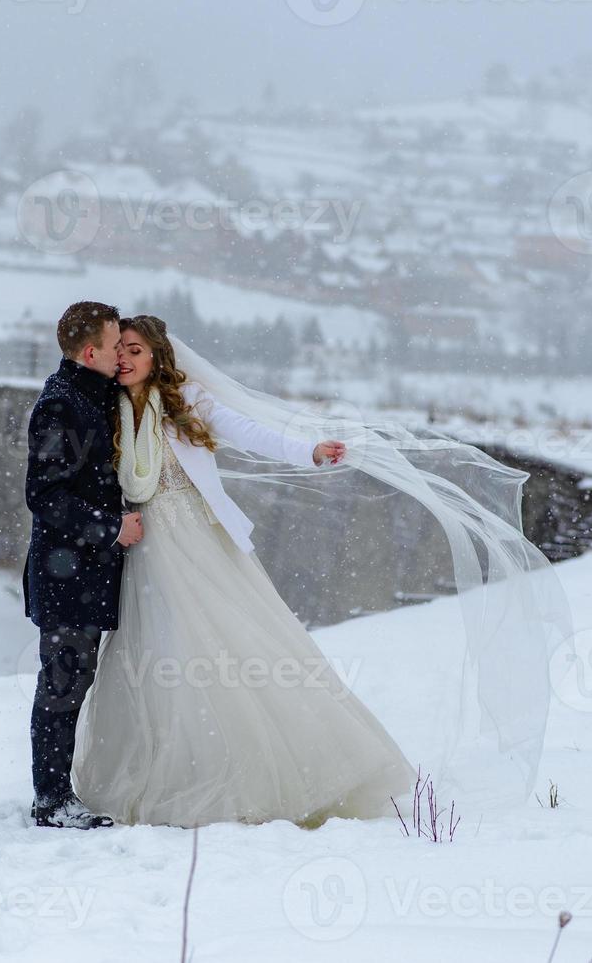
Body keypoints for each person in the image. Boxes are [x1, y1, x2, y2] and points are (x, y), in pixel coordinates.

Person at [71, 315, 417, 827]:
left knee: (225, 645)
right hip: (141, 547)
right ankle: (169, 770)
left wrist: (310, 451)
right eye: (118, 349)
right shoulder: (107, 408)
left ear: (158, 357)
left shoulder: (187, 404)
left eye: (136, 349)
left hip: (194, 538)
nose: (124, 358)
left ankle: (264, 772)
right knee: (156, 654)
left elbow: (248, 430)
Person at [23, 300, 144, 829]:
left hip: (85, 572)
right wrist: (112, 526)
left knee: (73, 681)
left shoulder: (93, 394)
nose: (122, 353)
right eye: (117, 344)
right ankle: (51, 802)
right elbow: (45, 495)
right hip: (64, 575)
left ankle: (57, 796)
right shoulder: (60, 406)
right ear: (91, 351)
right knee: (63, 683)